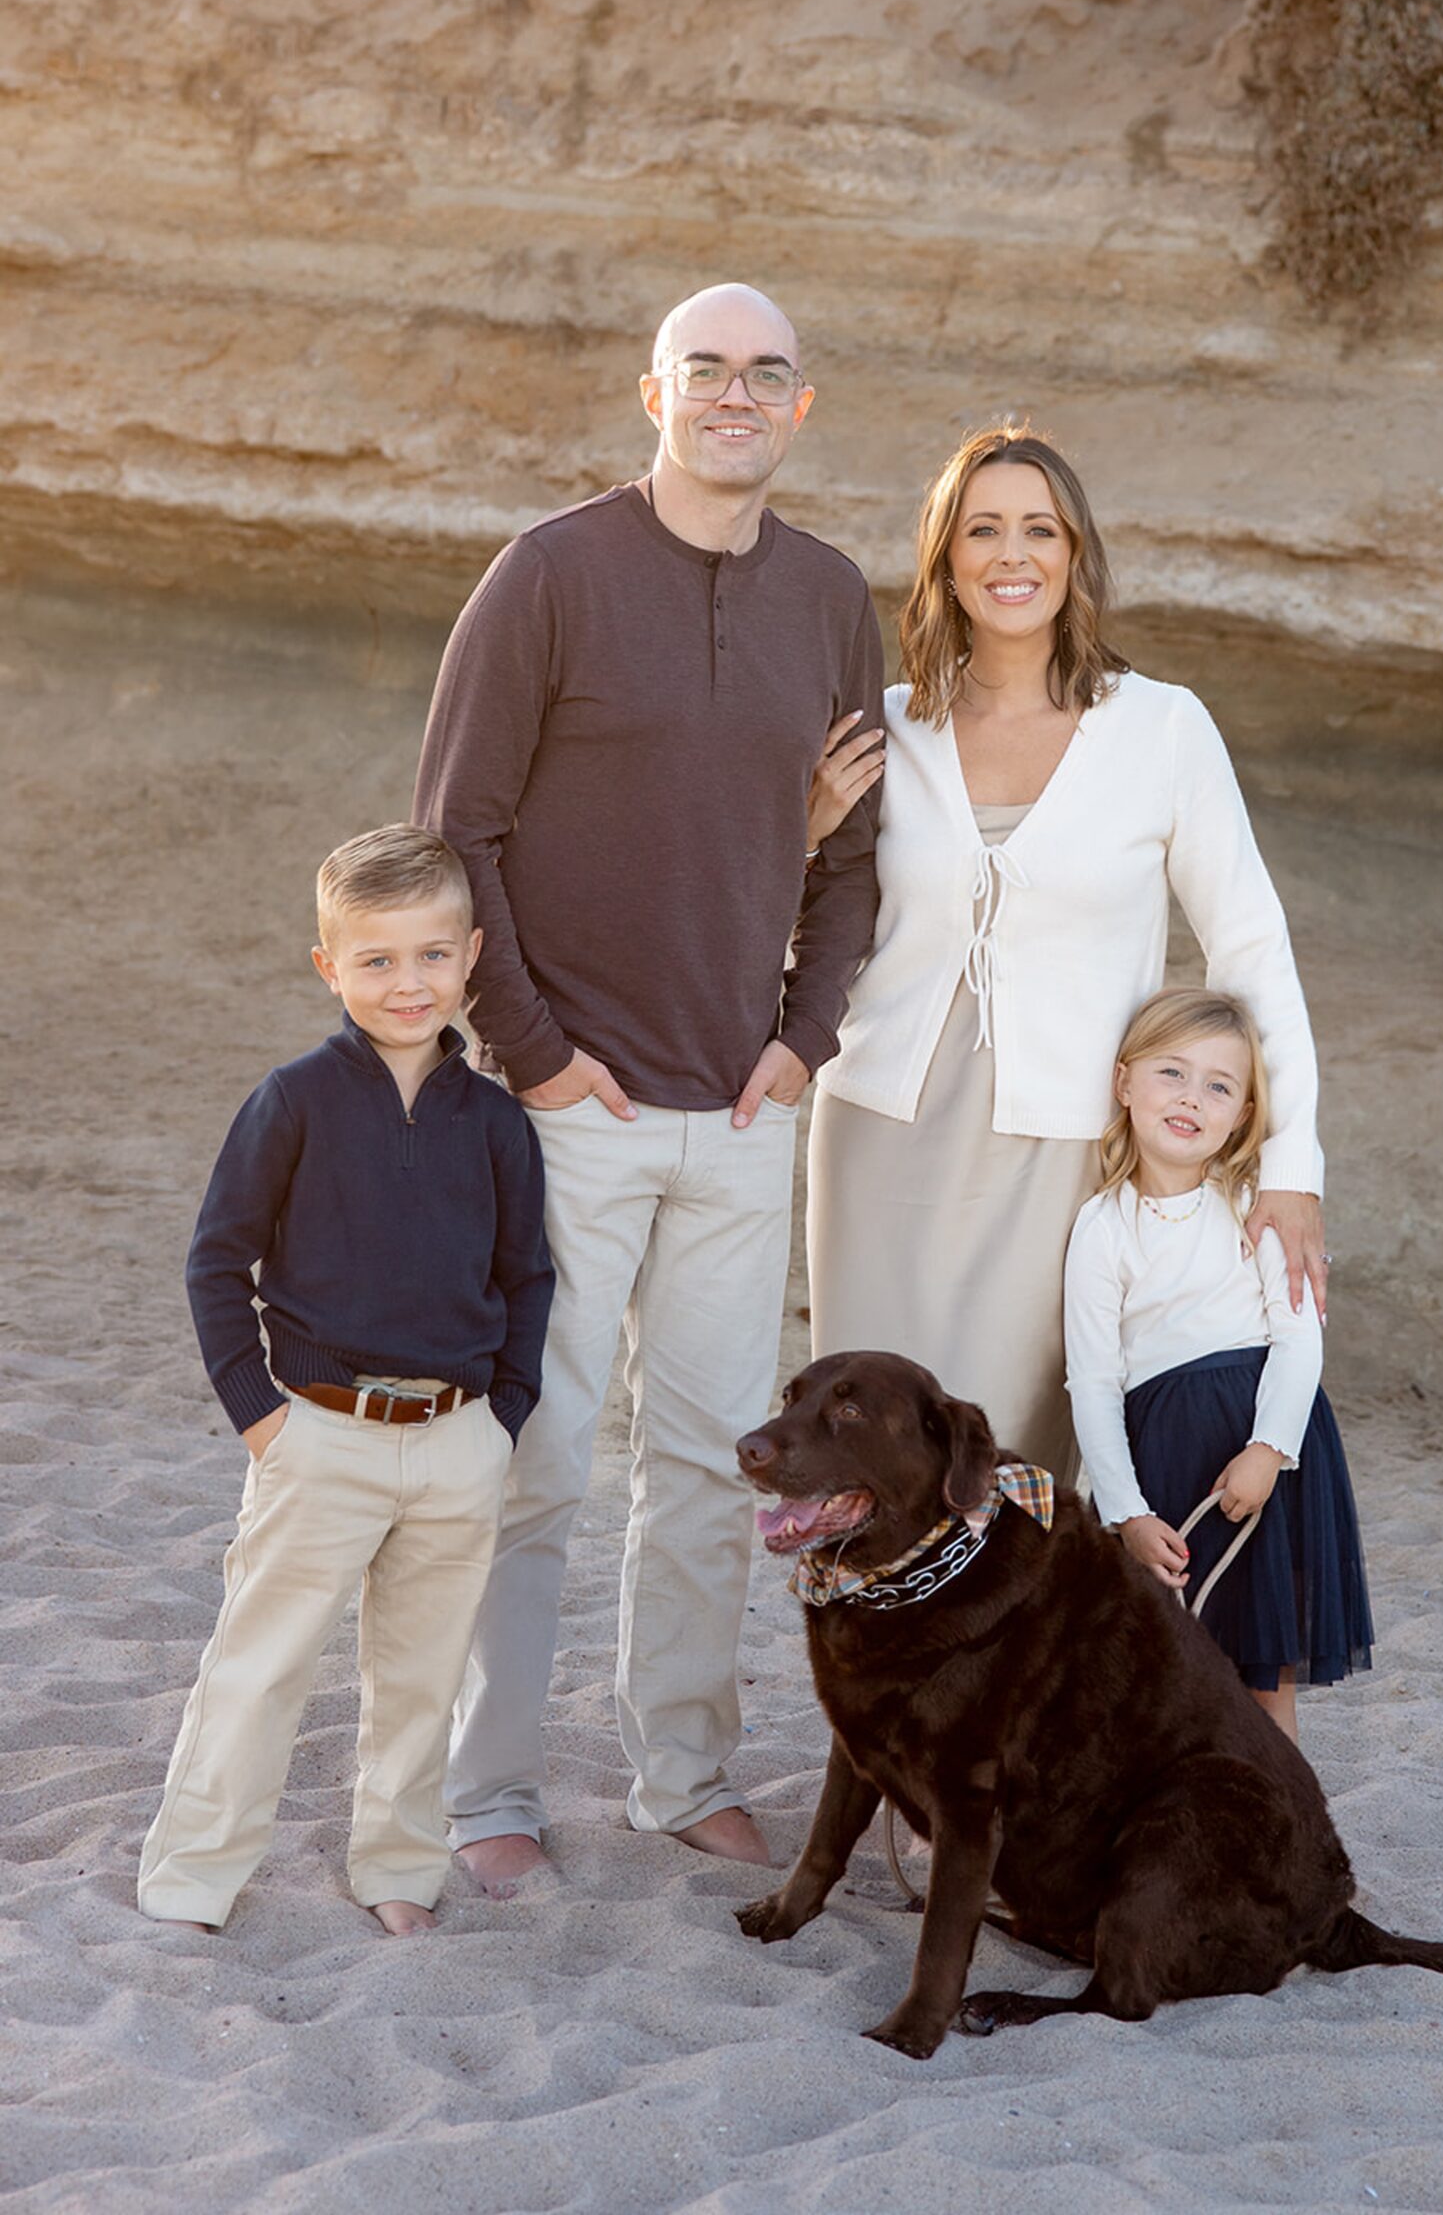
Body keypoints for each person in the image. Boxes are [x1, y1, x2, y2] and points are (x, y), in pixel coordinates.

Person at [414, 282, 883, 1890]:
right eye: (707, 371)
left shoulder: (829, 597)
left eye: (767, 373)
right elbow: (454, 837)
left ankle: (679, 1773)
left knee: (708, 1466)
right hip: (569, 1114)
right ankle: (484, 1797)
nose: (735, 395)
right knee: (530, 1465)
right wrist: (535, 1058)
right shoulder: (547, 573)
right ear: (652, 392)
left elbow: (854, 859)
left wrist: (797, 1043)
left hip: (742, 1117)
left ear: (801, 406)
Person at [807, 424, 1326, 1479]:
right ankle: (875, 1648)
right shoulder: (888, 727)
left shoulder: (1162, 729)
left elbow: (1250, 948)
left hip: (1067, 1146)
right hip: (878, 1134)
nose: (1012, 555)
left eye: (1039, 529)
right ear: (945, 557)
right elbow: (803, 920)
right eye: (982, 529)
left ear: (1075, 554)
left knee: (1009, 1456)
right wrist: (804, 826)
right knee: (866, 1447)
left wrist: (1291, 1162)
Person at [137, 825, 552, 1934]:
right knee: (260, 1667)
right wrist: (261, 1419)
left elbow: (528, 1275)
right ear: (329, 966)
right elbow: (216, 1261)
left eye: (428, 955)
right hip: (318, 1435)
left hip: (457, 1439)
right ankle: (194, 1878)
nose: (405, 982)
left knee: (419, 1681)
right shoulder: (295, 1100)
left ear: (469, 955)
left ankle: (400, 1872)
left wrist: (502, 1418)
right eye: (375, 959)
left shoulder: (500, 1123)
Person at [1062, 986, 1372, 1743]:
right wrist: (1128, 1513)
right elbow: (1094, 1380)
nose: (1191, 1098)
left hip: (1265, 1448)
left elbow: (1299, 1338)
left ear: (1241, 1116)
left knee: (1261, 1686)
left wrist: (1267, 1450)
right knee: (1166, 1681)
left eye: (1218, 1086)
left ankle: (1277, 1843)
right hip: (1166, 1458)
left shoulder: (1252, 1206)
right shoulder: (1101, 1227)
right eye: (1171, 1072)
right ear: (1123, 1082)